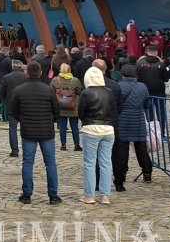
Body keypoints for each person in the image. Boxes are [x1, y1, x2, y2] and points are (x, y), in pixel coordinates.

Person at [8, 60, 62, 204]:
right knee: (50, 163)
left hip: (28, 131)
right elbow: (56, 111)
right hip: (46, 131)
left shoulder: (19, 90)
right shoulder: (49, 90)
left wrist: (23, 120)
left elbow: (13, 111)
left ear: (27, 72)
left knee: (28, 163)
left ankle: (27, 194)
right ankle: (53, 195)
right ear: (41, 72)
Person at [79, 67, 117, 205]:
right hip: (108, 129)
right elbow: (114, 110)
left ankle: (89, 195)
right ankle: (105, 195)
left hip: (91, 128)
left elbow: (81, 112)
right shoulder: (110, 92)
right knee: (106, 163)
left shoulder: (86, 93)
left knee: (90, 163)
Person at [113, 65, 152, 190]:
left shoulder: (119, 86)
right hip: (138, 119)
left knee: (122, 150)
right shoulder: (142, 86)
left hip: (123, 120)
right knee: (141, 148)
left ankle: (122, 174)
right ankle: (147, 172)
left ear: (122, 74)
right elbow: (147, 103)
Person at [0, 61, 30, 157]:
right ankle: (27, 149)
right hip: (24, 105)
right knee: (26, 128)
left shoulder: (7, 77)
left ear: (12, 67)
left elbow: (1, 93)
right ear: (20, 67)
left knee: (12, 129)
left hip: (11, 105)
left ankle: (15, 151)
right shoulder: (26, 77)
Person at [50, 62, 82, 151]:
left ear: (60, 70)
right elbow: (79, 92)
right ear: (69, 70)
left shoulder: (55, 80)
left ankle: (63, 145)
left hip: (60, 106)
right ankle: (77, 145)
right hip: (73, 106)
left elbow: (51, 92)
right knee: (74, 126)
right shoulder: (75, 80)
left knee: (62, 127)